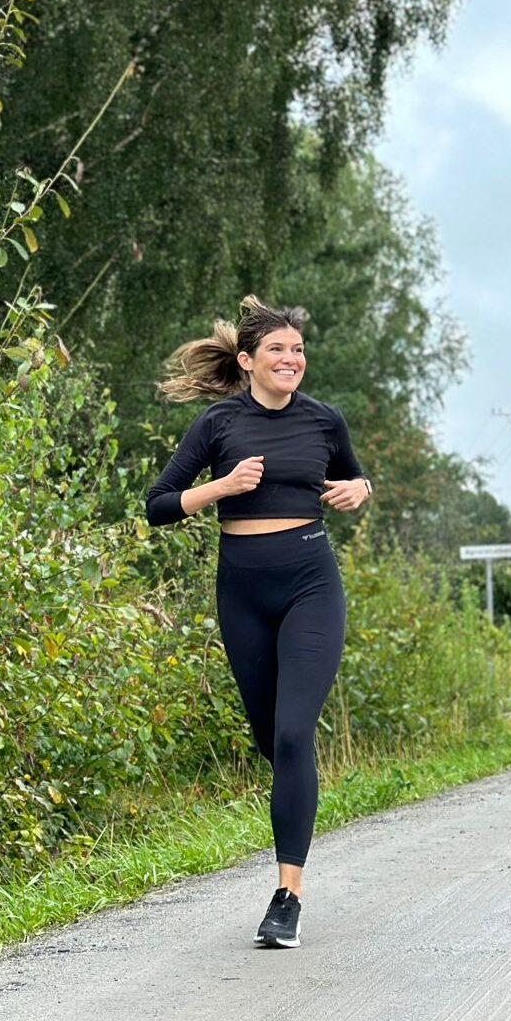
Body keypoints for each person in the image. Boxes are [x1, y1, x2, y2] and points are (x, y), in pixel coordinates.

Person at [144, 295, 372, 948]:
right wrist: (220, 488)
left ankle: (286, 897)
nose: (292, 359)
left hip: (309, 581)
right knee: (274, 743)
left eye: (298, 350)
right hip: (242, 590)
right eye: (278, 350)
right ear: (247, 361)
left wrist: (362, 489)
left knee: (296, 736)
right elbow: (158, 506)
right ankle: (294, 812)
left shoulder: (325, 422)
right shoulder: (219, 424)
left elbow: (353, 482)